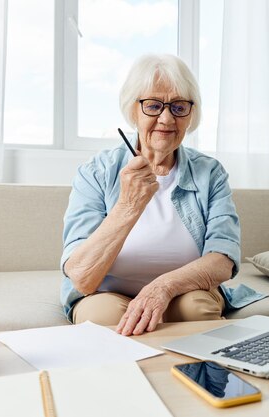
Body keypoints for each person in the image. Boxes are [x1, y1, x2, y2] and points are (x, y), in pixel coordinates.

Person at [60, 53, 240, 337]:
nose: (167, 119)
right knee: (102, 319)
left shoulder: (210, 173)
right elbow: (82, 277)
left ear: (191, 114)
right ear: (134, 111)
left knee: (197, 310)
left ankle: (205, 380)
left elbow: (223, 259)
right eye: (153, 105)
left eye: (179, 107)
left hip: (184, 290)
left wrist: (162, 287)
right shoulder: (95, 172)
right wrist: (129, 205)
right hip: (109, 292)